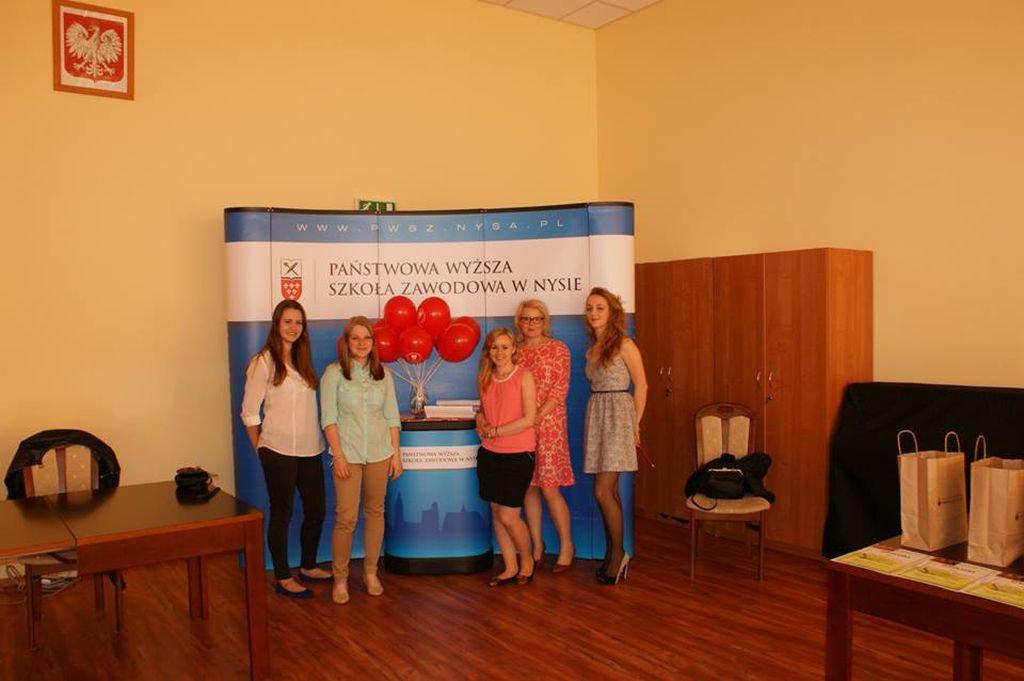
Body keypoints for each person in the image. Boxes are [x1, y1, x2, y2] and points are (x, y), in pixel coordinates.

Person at [241, 299, 331, 598]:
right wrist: (260, 448)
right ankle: (282, 576)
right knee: (282, 513)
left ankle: (308, 566)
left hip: (310, 449)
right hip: (277, 450)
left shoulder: (302, 360)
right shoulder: (263, 361)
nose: (294, 327)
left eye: (298, 322)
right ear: (277, 324)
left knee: (316, 509)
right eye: (288, 321)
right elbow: (249, 411)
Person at [320, 316, 403, 605]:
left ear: (373, 342)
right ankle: (340, 578)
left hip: (380, 453)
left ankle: (370, 572)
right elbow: (329, 418)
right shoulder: (333, 374)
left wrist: (396, 454)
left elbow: (392, 417)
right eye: (355, 338)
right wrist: (338, 455)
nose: (361, 343)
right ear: (346, 342)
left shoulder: (384, 375)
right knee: (346, 518)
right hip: (348, 455)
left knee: (375, 512)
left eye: (367, 338)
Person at [583, 287, 648, 585]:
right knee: (610, 493)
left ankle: (619, 553)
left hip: (618, 416)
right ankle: (613, 554)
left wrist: (635, 424)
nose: (594, 313)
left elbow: (642, 385)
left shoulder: (625, 344)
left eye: (600, 308)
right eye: (590, 308)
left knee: (602, 491)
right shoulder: (591, 349)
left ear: (612, 312)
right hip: (597, 413)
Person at [515, 299, 575, 572]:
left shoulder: (558, 349)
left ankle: (567, 546)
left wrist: (537, 416)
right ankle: (537, 546)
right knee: (528, 487)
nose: (531, 324)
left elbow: (559, 390)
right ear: (519, 322)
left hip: (550, 425)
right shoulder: (515, 352)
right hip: (521, 426)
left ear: (545, 321)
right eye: (526, 319)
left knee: (550, 488)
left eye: (536, 319)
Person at [475, 327, 538, 586]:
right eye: (494, 347)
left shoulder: (524, 376)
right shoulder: (484, 377)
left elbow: (530, 419)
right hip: (490, 454)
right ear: (488, 351)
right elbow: (483, 410)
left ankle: (527, 560)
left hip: (518, 454)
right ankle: (510, 566)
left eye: (504, 347)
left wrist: (497, 431)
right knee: (497, 512)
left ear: (513, 349)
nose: (499, 352)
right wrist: (481, 421)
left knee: (509, 516)